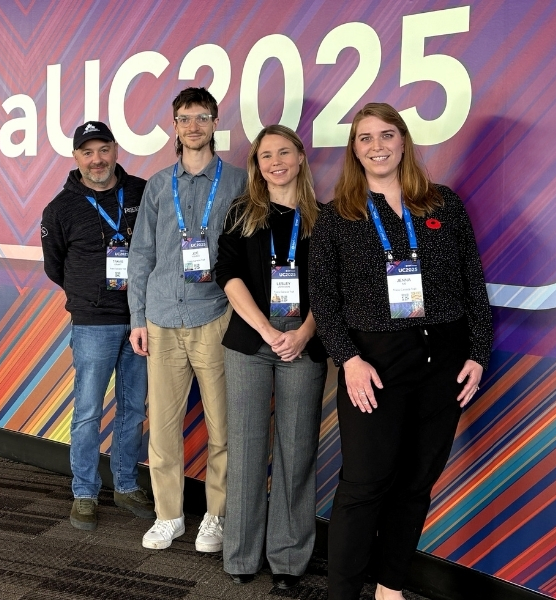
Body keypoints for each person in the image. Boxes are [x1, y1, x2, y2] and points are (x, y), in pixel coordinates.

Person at [308, 103, 492, 600]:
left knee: (415, 484)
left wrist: (477, 353)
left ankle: (391, 587)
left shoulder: (441, 204)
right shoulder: (338, 216)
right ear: (355, 150)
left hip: (445, 361)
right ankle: (343, 594)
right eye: (365, 138)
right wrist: (348, 360)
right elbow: (323, 299)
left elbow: (473, 282)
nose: (377, 146)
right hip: (374, 363)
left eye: (386, 135)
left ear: (404, 141)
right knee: (364, 486)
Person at [127, 87, 247, 551]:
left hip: (214, 316)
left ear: (215, 123)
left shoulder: (238, 181)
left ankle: (215, 516)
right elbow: (140, 254)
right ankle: (169, 515)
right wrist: (138, 316)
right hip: (160, 318)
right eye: (184, 118)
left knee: (223, 427)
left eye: (201, 117)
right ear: (174, 127)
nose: (193, 126)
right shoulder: (158, 185)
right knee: (162, 429)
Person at [214, 125, 328, 589]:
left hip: (305, 343)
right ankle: (240, 556)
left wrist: (302, 333)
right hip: (249, 345)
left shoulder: (326, 218)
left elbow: (333, 287)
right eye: (266, 155)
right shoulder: (243, 213)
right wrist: (266, 329)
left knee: (296, 452)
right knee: (245, 449)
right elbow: (228, 273)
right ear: (256, 165)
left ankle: (287, 560)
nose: (275, 161)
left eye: (284, 152)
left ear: (301, 157)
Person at [41, 120, 156, 531]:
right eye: (87, 152)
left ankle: (125, 484)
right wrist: (88, 294)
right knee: (88, 411)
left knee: (133, 408)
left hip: (141, 320)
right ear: (76, 157)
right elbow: (56, 267)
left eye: (103, 149)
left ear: (115, 150)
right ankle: (85, 493)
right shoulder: (60, 208)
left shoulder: (143, 193)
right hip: (93, 323)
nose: (97, 159)